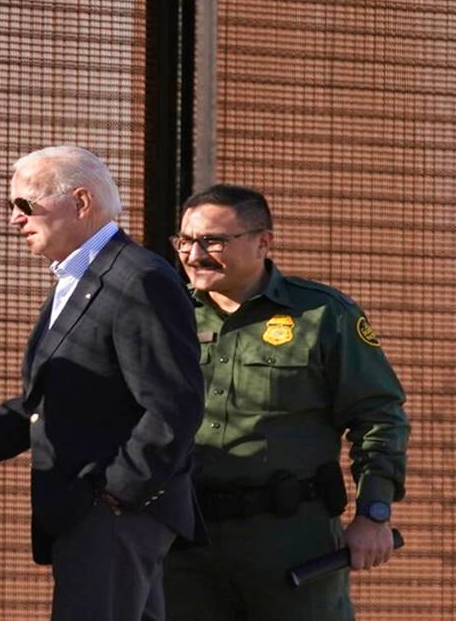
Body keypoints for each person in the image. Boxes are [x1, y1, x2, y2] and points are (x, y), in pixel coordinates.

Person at [0, 145, 205, 621]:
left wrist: (117, 494)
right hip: (94, 514)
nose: (13, 220)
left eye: (24, 205)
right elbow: (54, 400)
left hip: (112, 516)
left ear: (80, 203)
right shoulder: (79, 277)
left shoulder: (137, 278)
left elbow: (174, 404)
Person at [161, 183, 410, 620]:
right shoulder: (164, 314)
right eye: (185, 240)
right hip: (184, 543)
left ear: (263, 242)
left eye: (213, 240)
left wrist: (373, 513)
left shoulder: (322, 315)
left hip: (291, 541)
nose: (194, 255)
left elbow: (378, 418)